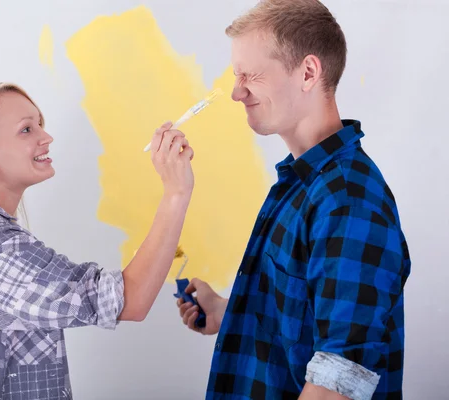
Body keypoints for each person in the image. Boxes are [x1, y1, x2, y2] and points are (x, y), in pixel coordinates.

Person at [175, 1, 411, 399]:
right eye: (236, 75)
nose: (236, 92)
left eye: (250, 75)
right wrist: (228, 309)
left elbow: (338, 382)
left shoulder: (348, 200)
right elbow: (309, 312)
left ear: (307, 73)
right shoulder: (299, 182)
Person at [0, 82, 194, 399]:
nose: (46, 137)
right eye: (26, 129)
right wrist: (176, 193)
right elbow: (129, 300)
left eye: (40, 124)